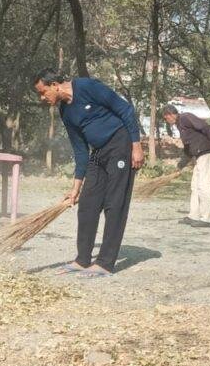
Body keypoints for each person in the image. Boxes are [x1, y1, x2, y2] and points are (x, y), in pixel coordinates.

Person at [33, 69, 145, 278]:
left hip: (120, 144)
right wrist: (75, 189)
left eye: (43, 92)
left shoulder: (87, 87)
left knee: (115, 203)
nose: (42, 98)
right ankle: (82, 259)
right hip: (98, 153)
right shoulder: (66, 113)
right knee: (87, 204)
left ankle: (105, 263)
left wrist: (136, 146)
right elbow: (80, 150)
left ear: (55, 84)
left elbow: (125, 110)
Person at [162, 105, 210, 228]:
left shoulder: (186, 117)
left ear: (170, 114)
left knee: (203, 186)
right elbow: (188, 148)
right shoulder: (180, 126)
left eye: (166, 118)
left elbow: (205, 127)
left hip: (206, 153)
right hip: (198, 156)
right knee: (195, 186)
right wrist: (180, 165)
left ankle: (206, 219)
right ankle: (194, 215)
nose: (167, 121)